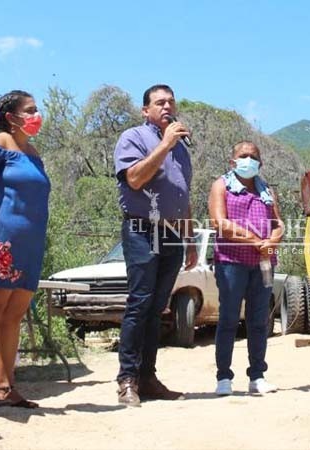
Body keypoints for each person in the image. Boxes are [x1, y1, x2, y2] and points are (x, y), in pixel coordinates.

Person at [113, 84, 197, 406]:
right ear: (145, 110)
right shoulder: (133, 138)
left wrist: (189, 240)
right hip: (142, 230)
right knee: (140, 303)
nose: (167, 107)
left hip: (173, 235)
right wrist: (163, 145)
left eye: (171, 102)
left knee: (157, 308)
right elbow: (134, 179)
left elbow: (182, 196)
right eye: (159, 102)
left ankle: (147, 377)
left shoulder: (181, 148)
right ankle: (127, 380)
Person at [0, 91, 50, 408]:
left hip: (29, 243)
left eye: (36, 109)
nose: (36, 115)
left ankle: (6, 385)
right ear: (11, 116)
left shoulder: (32, 151)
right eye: (30, 110)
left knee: (14, 313)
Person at [209, 141, 283, 396]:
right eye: (243, 155)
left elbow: (279, 223)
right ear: (233, 161)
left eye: (253, 156)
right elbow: (219, 222)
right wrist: (254, 240)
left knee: (259, 321)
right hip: (231, 262)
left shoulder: (267, 191)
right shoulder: (222, 186)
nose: (248, 160)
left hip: (262, 263)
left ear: (260, 163)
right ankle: (224, 377)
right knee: (229, 319)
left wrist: (272, 240)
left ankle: (257, 376)